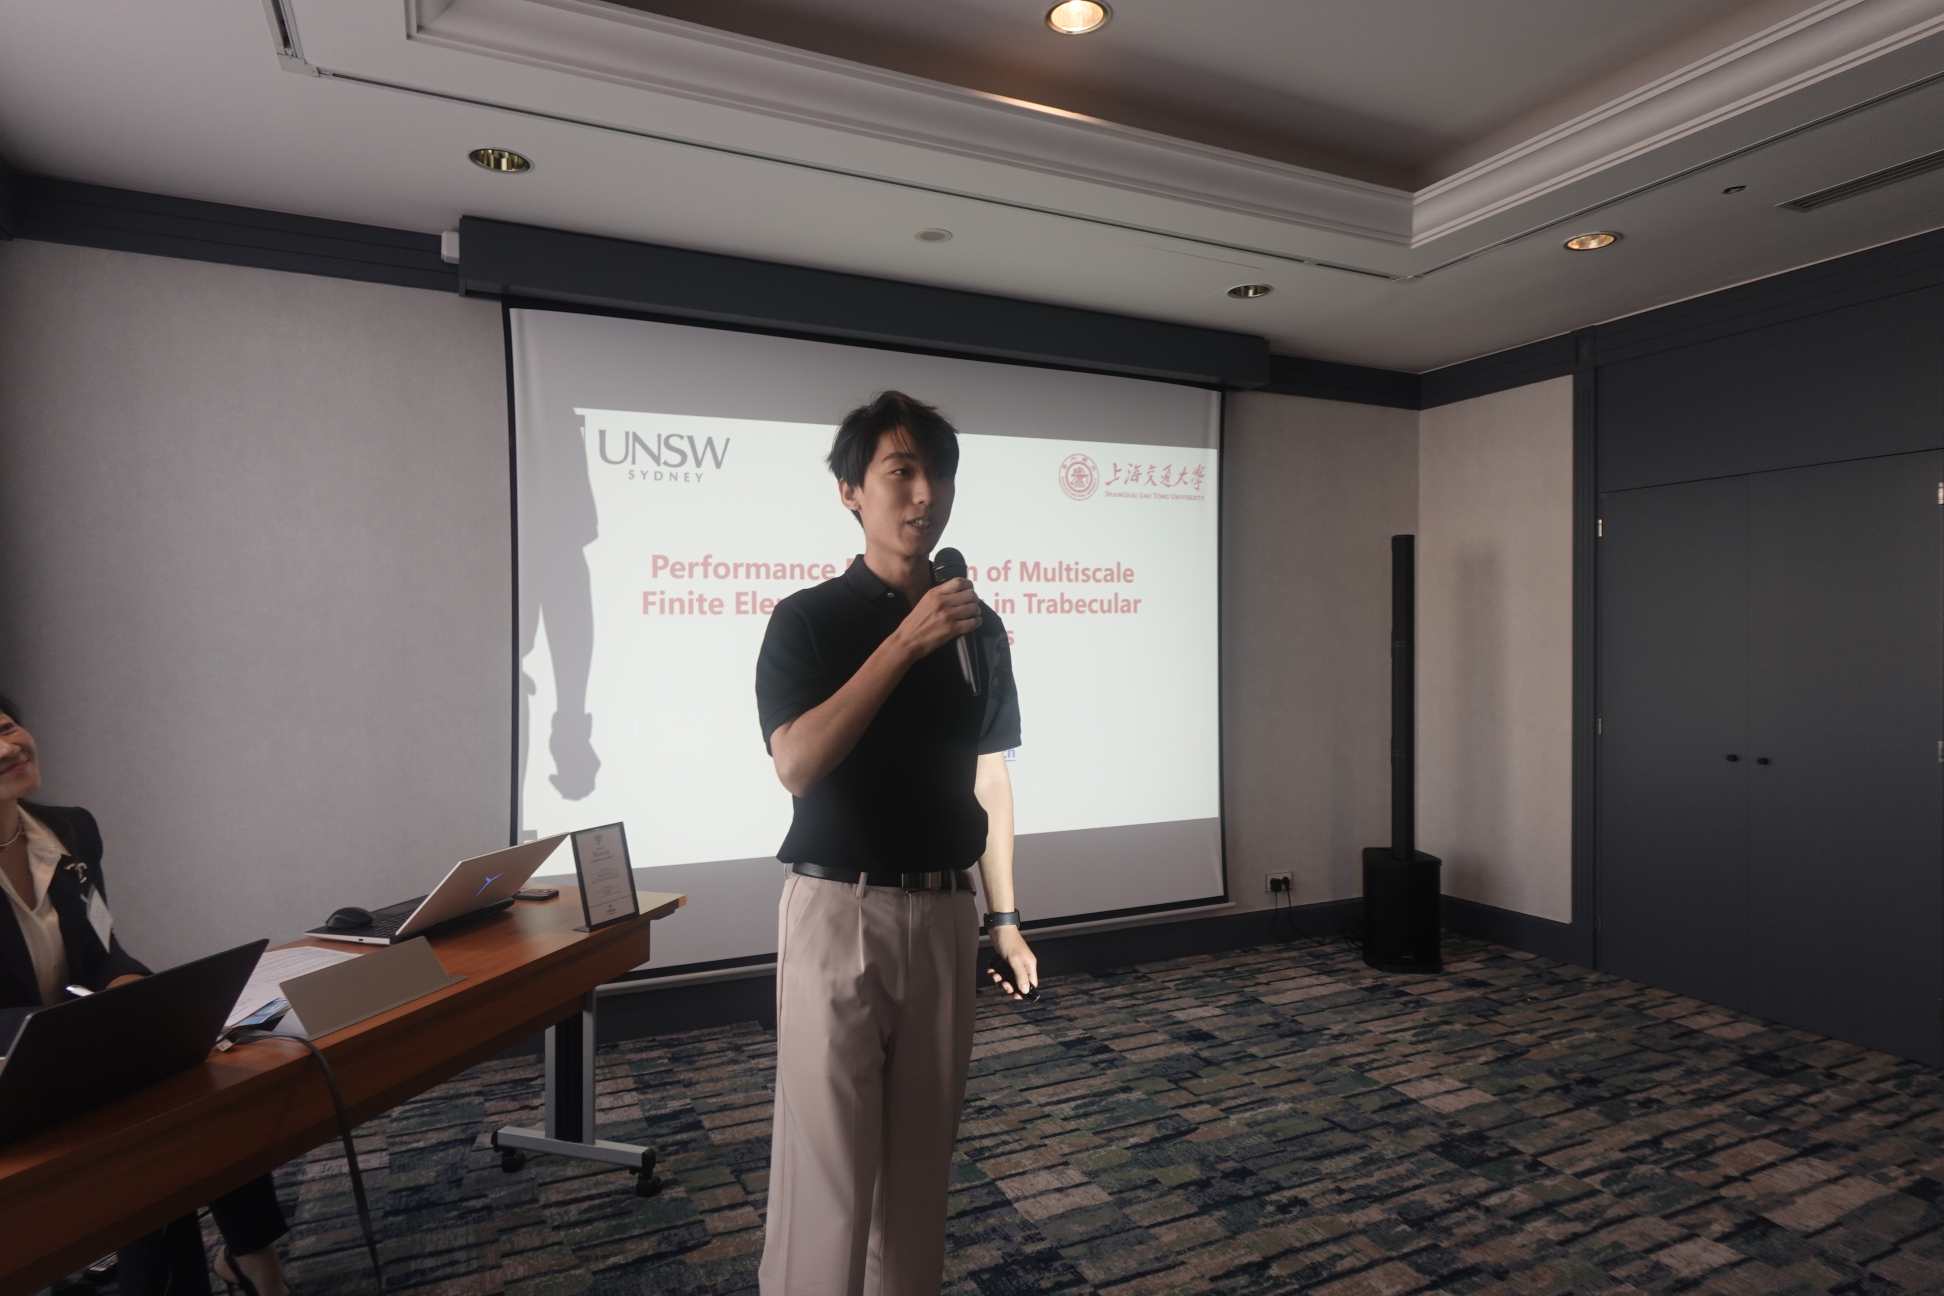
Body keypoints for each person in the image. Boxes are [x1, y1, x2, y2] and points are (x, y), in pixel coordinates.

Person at [754, 391, 1038, 1295]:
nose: (926, 494)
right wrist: (904, 644)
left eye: (939, 474)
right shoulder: (807, 619)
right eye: (902, 472)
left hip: (947, 913)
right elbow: (797, 763)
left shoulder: (978, 627)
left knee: (920, 1172)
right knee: (828, 1177)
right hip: (839, 909)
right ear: (851, 491)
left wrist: (1005, 918)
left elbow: (988, 775)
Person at [0, 695, 291, 1296]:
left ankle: (254, 1260)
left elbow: (104, 947)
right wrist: (68, 1027)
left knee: (199, 1079)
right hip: (14, 1068)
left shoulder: (70, 830)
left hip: (75, 1045)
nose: (8, 748)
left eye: (6, 727)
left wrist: (128, 986)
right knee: (148, 1130)